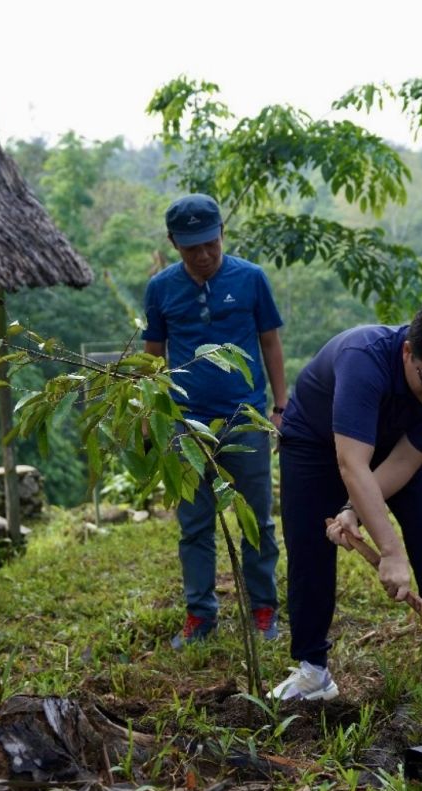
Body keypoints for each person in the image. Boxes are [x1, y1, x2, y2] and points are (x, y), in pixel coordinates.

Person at [269, 302, 422, 704]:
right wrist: (389, 550)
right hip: (314, 443)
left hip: (395, 443)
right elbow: (351, 461)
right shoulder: (363, 359)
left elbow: (404, 461)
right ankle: (312, 671)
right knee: (309, 548)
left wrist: (352, 509)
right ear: (408, 352)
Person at [141, 193, 288, 649]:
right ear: (174, 244)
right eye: (191, 248)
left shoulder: (251, 279)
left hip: (243, 418)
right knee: (195, 523)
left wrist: (280, 407)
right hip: (185, 423)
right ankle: (200, 615)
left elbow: (270, 343)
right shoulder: (161, 288)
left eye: (210, 244)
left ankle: (263, 608)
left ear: (222, 234)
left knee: (256, 522)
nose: (203, 256)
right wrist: (151, 415)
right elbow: (153, 357)